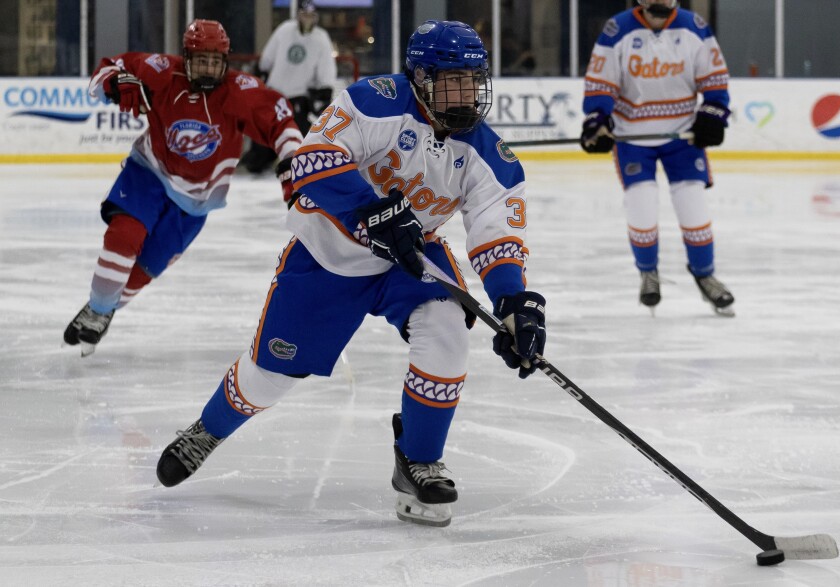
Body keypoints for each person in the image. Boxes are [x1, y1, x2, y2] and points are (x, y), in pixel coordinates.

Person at [155, 20, 547, 528]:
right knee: (268, 379)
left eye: (473, 81)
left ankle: (418, 460)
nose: (466, 93)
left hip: (410, 258)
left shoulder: (489, 155)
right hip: (328, 254)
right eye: (453, 80)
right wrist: (372, 209)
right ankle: (208, 429)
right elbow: (312, 163)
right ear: (421, 79)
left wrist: (514, 302)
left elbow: (496, 236)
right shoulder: (372, 101)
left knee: (449, 330)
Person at [63, 19, 303, 356]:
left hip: (197, 201)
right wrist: (113, 83)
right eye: (200, 61)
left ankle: (104, 308)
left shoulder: (240, 91)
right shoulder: (162, 71)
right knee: (124, 237)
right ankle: (98, 310)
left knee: (145, 269)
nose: (207, 69)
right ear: (186, 58)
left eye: (215, 62)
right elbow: (106, 70)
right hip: (148, 172)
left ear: (226, 61)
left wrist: (295, 165)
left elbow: (282, 121)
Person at [580, 0, 735, 316]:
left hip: (683, 135)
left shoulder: (695, 27)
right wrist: (597, 118)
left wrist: (714, 112)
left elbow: (715, 79)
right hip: (632, 137)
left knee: (693, 207)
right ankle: (648, 272)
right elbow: (600, 84)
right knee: (642, 204)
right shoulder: (617, 30)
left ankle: (705, 275)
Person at [240, 0, 337, 174]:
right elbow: (267, 58)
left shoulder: (320, 37)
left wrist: (325, 87)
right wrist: (262, 69)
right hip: (273, 96)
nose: (307, 19)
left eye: (311, 16)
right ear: (298, 15)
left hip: (298, 98)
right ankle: (259, 158)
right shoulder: (285, 30)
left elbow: (326, 67)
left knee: (301, 149)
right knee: (259, 153)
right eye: (304, 15)